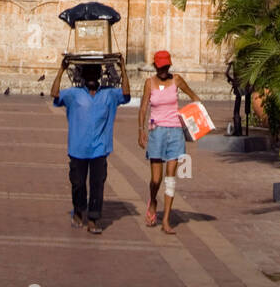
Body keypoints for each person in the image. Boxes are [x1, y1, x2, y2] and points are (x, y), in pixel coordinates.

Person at [51, 53, 130, 235]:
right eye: (90, 74)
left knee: (97, 185)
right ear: (84, 77)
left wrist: (122, 67)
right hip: (77, 148)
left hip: (99, 148)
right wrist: (62, 69)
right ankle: (79, 211)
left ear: (99, 76)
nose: (93, 78)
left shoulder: (109, 94)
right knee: (78, 183)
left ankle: (94, 218)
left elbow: (126, 94)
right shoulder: (73, 94)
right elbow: (54, 94)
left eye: (95, 74)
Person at [139, 49, 201, 234]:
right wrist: (141, 130)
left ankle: (166, 220)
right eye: (160, 67)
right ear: (155, 67)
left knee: (171, 179)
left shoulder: (177, 80)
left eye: (166, 66)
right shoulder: (149, 83)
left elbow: (194, 97)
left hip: (175, 132)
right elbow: (143, 107)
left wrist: (197, 119)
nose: (163, 70)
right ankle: (153, 200)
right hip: (156, 132)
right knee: (156, 179)